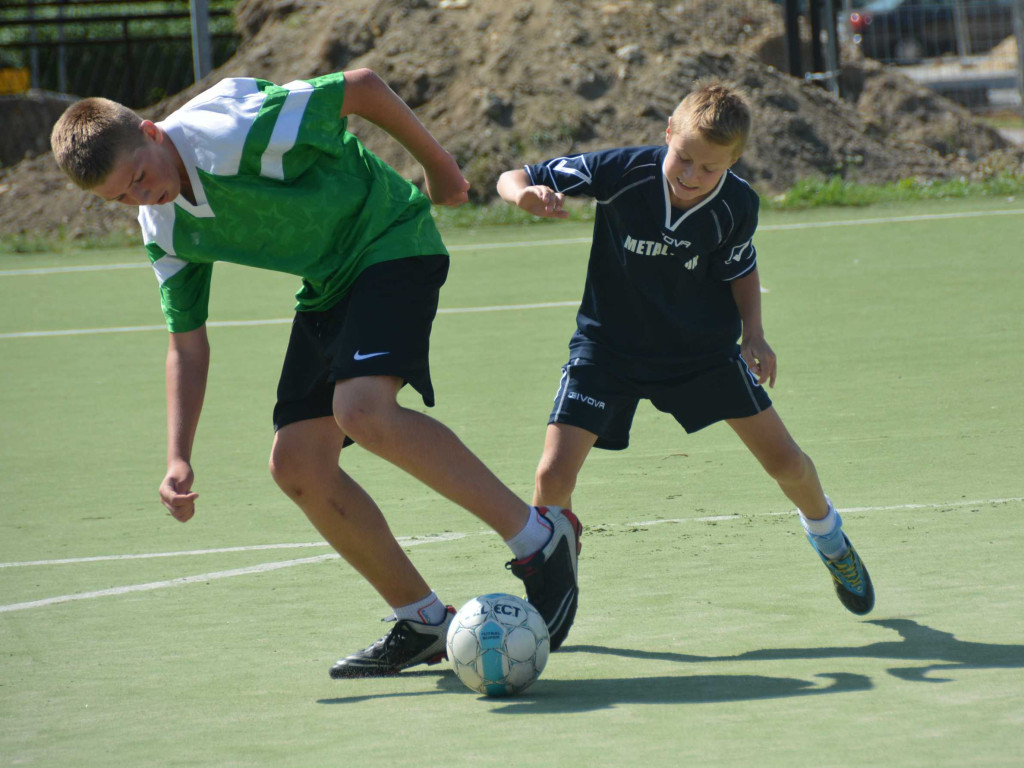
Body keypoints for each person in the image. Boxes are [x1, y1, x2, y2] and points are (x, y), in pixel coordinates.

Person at [49, 68, 583, 677]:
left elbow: (362, 88)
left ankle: (539, 540)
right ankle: (423, 621)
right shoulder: (166, 229)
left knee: (361, 411)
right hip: (330, 281)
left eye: (140, 178)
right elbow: (187, 347)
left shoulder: (233, 133)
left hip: (390, 236)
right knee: (297, 463)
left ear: (151, 132)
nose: (140, 198)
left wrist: (440, 168)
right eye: (121, 198)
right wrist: (178, 455)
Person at [496, 81, 873, 616]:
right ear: (668, 134)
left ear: (734, 162)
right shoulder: (623, 172)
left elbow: (740, 266)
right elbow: (513, 177)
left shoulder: (738, 204)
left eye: (710, 169)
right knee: (551, 477)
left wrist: (755, 334)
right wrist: (524, 196)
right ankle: (551, 582)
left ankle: (829, 537)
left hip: (699, 352)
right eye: (685, 158)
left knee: (788, 463)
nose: (692, 176)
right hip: (608, 348)